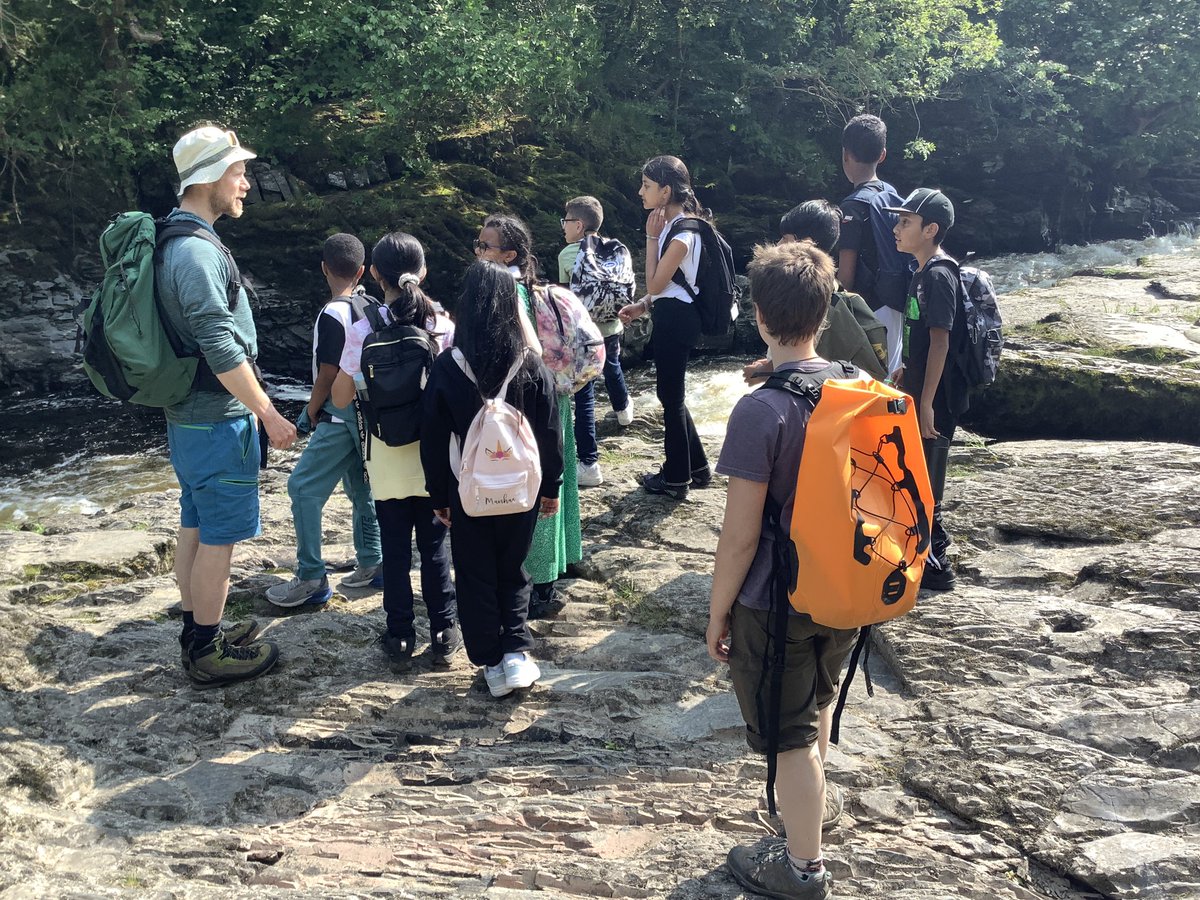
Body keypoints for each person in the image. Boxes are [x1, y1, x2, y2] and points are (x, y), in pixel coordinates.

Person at [707, 241, 859, 900]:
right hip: (845, 590)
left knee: (789, 734)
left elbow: (740, 537)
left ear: (759, 313)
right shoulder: (854, 386)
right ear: (825, 313)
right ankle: (809, 818)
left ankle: (804, 868)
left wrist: (717, 612)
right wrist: (778, 366)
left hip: (777, 599)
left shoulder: (760, 410)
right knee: (817, 705)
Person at [158, 125, 297, 686]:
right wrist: (267, 412)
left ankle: (197, 631)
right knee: (219, 537)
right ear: (211, 177)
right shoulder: (195, 253)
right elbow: (218, 344)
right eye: (239, 173)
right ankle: (208, 655)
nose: (246, 183)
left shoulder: (175, 240)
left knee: (194, 525)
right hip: (218, 423)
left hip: (190, 419)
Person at [420, 260, 563, 697]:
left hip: (469, 491)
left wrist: (439, 495)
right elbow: (550, 432)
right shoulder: (531, 365)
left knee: (475, 570)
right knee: (513, 568)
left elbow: (432, 435)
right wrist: (551, 486)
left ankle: (490, 660)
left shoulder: (449, 366)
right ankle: (517, 651)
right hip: (521, 490)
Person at [331, 232, 460, 668]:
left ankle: (401, 634)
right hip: (434, 455)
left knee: (396, 548)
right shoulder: (442, 324)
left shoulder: (363, 328)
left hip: (384, 454)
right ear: (423, 272)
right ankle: (444, 630)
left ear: (372, 274)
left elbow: (343, 398)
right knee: (436, 547)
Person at [267, 234, 384, 608]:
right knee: (361, 489)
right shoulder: (372, 304)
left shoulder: (332, 313)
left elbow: (328, 372)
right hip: (368, 415)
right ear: (363, 271)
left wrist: (311, 411)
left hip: (338, 413)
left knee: (303, 488)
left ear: (323, 269)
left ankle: (311, 576)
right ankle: (373, 563)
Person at [476, 214, 582, 619]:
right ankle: (557, 566)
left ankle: (537, 585)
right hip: (557, 396)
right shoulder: (537, 289)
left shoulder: (507, 292)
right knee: (557, 481)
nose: (479, 252)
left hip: (525, 403)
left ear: (509, 254)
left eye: (485, 246)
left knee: (532, 489)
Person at [617, 155, 712, 501]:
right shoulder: (679, 226)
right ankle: (697, 468)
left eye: (646, 185)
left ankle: (675, 478)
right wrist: (643, 305)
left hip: (677, 320)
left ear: (666, 190)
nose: (640, 191)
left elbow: (657, 283)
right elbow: (668, 286)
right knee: (672, 396)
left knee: (669, 399)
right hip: (671, 314)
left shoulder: (682, 231)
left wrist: (650, 238)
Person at [886, 187, 966, 592]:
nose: (897, 228)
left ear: (931, 229)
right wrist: (905, 369)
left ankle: (937, 562)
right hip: (919, 388)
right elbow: (921, 338)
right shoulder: (921, 270)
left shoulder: (938, 274)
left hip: (937, 398)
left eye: (906, 222)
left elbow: (941, 341)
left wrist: (928, 404)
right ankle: (929, 545)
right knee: (912, 473)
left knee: (924, 478)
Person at [743, 200, 889, 384]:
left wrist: (765, 371)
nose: (779, 244)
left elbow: (801, 356)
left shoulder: (801, 294)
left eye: (785, 239)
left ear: (803, 244)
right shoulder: (827, 287)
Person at [558, 195, 635, 488]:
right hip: (612, 325)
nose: (563, 227)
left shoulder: (568, 254)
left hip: (583, 334)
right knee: (613, 366)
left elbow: (565, 301)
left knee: (584, 394)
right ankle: (624, 410)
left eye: (565, 221)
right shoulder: (615, 250)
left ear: (578, 225)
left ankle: (589, 463)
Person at [837, 114, 909, 376]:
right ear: (883, 155)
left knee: (869, 380)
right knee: (891, 376)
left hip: (868, 310)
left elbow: (846, 276)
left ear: (845, 154)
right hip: (896, 300)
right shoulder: (891, 195)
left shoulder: (852, 207)